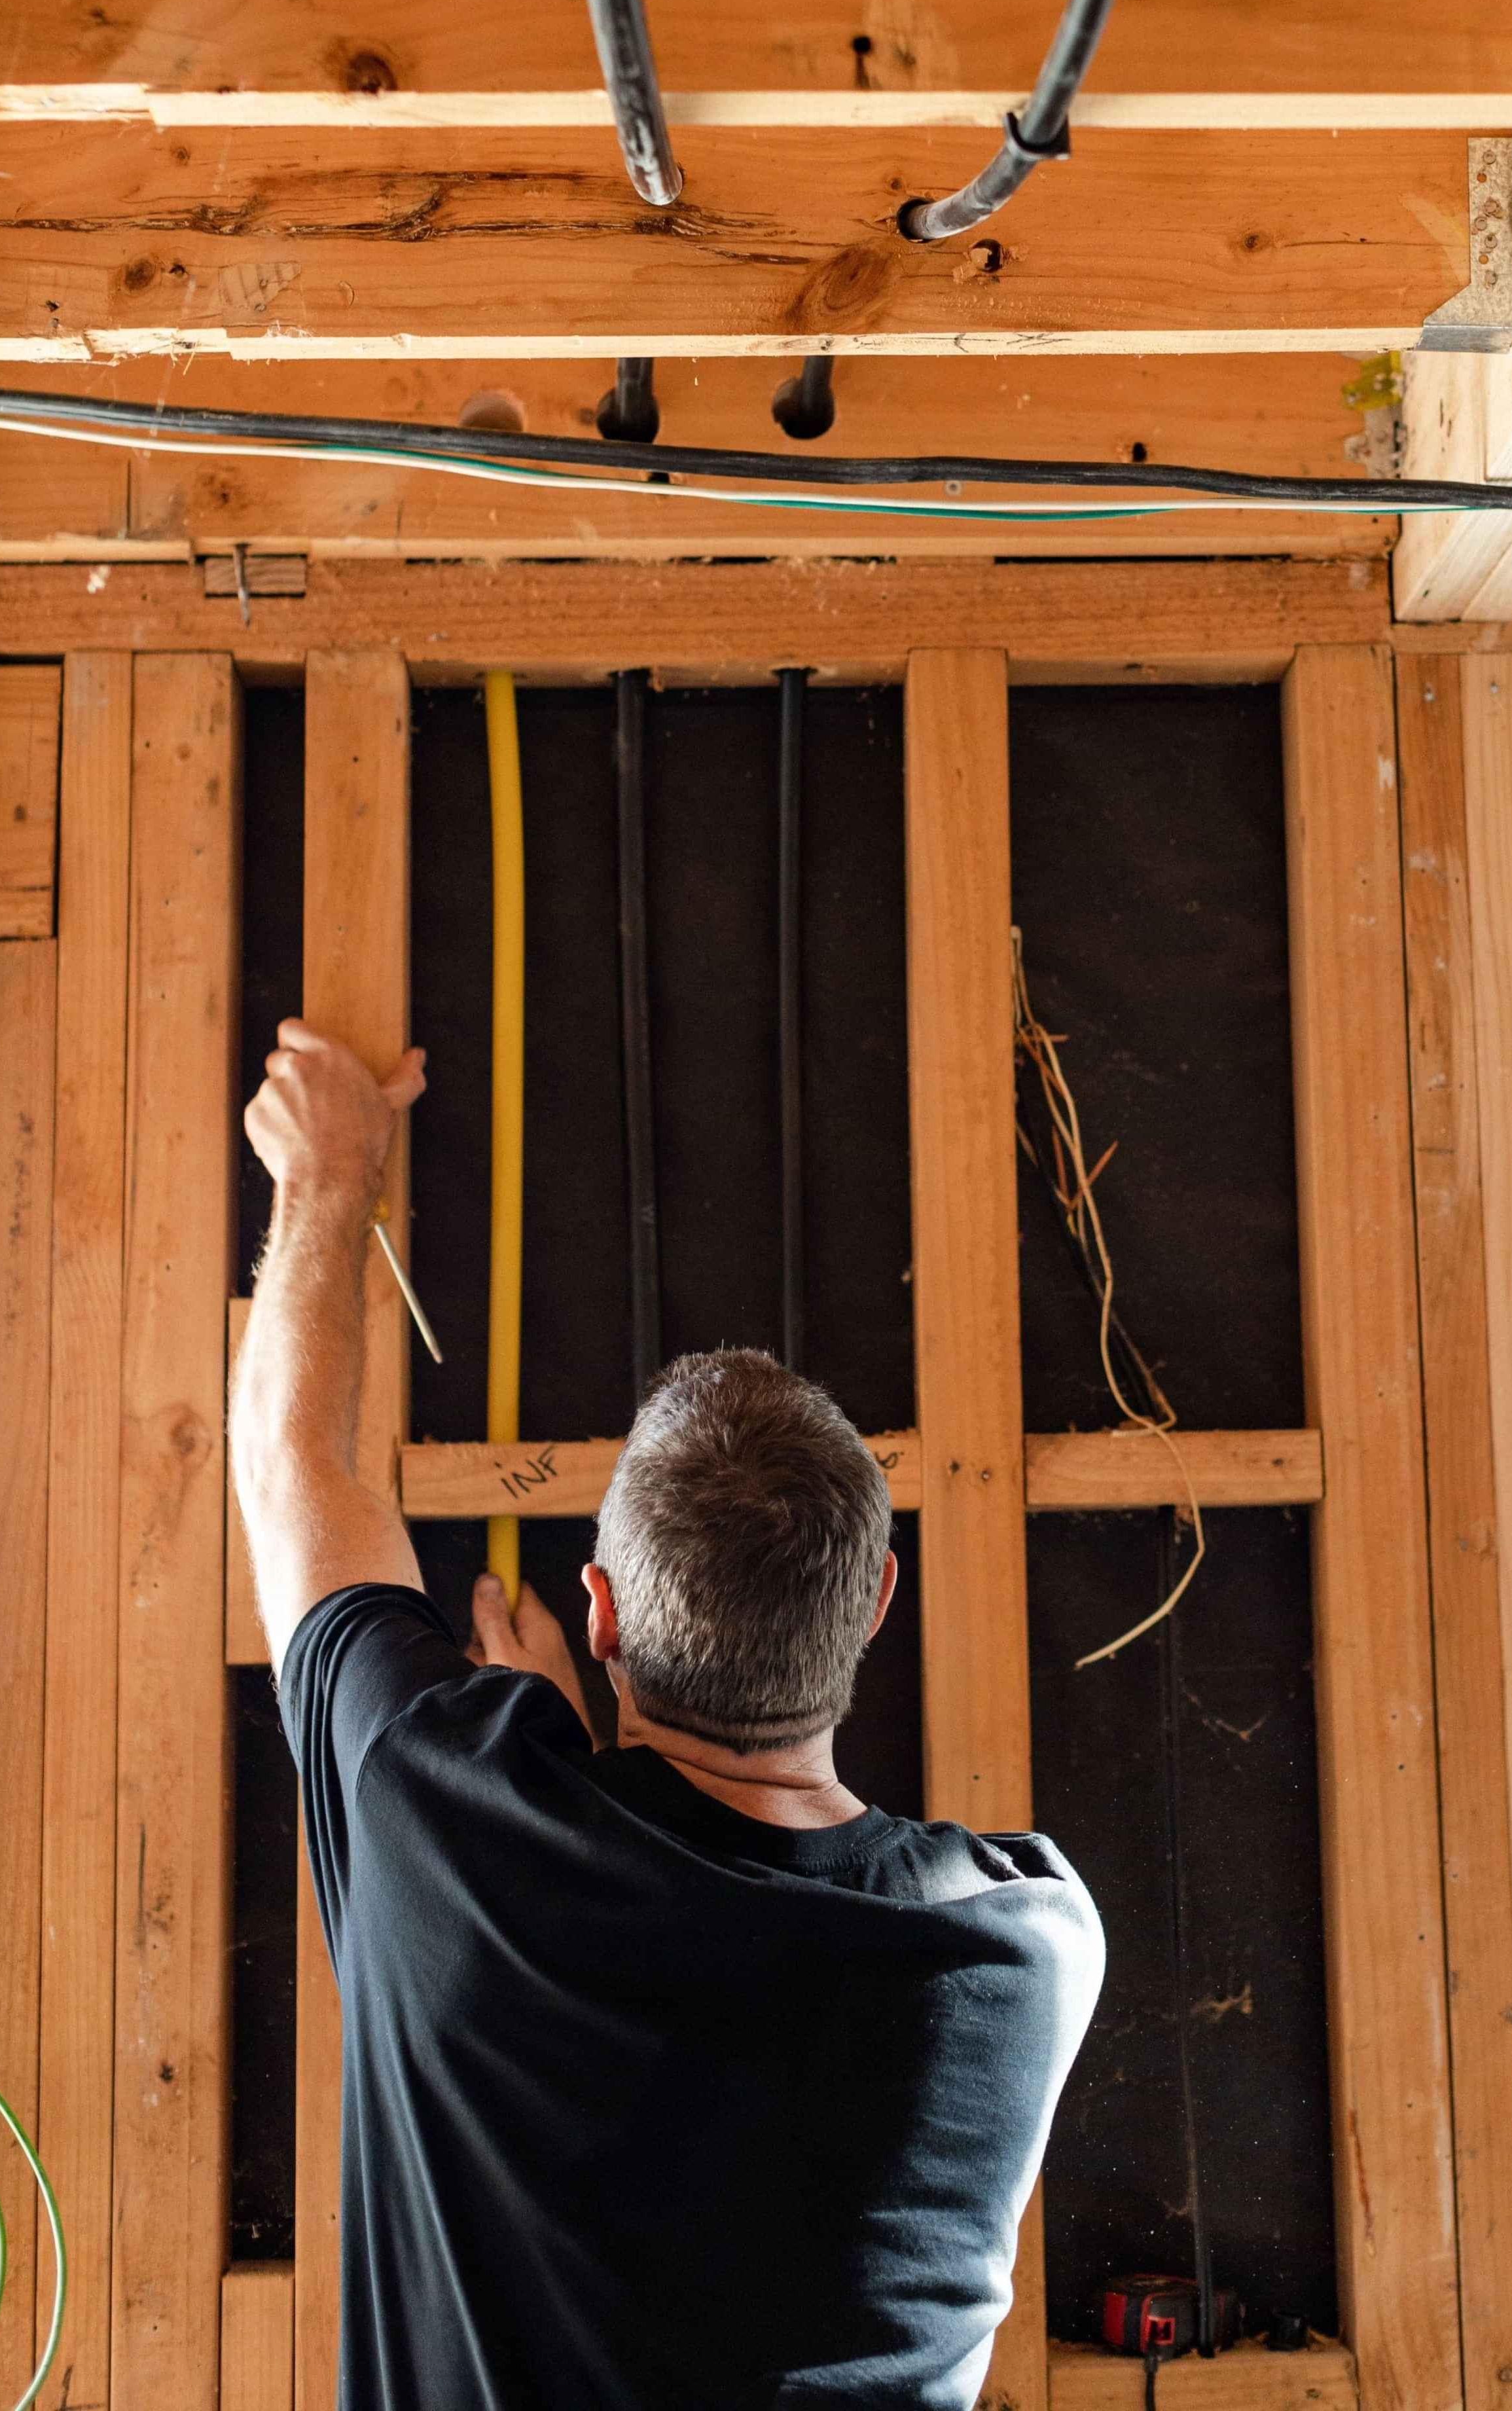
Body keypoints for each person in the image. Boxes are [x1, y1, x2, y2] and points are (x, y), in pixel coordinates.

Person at [233, 1017, 1104, 2411]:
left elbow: (291, 1475)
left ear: (600, 1612)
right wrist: (544, 1768)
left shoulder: (440, 1807)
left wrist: (327, 1181)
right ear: (875, 1601)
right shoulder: (1022, 1945)